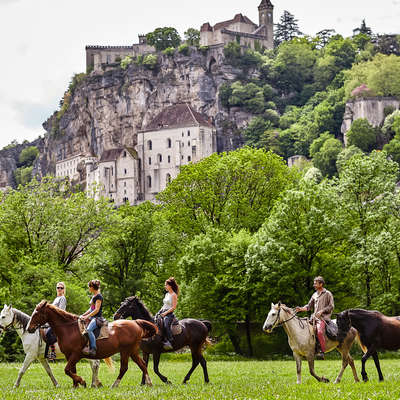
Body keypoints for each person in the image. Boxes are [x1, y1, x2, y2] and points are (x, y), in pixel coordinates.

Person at [295, 276, 334, 359]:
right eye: (314, 283)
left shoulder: (328, 294)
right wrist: (301, 309)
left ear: (321, 284)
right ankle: (307, 350)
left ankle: (321, 351)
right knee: (305, 331)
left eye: (315, 283)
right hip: (313, 318)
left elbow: (331, 306)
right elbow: (309, 307)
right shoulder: (314, 295)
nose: (314, 285)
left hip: (323, 318)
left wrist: (322, 311)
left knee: (319, 331)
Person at [80, 279, 103, 357]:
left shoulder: (99, 297)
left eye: (89, 287)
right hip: (91, 317)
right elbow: (91, 309)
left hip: (97, 318)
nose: (89, 288)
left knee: (89, 330)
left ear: (92, 287)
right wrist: (82, 315)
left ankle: (93, 348)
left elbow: (96, 310)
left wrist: (87, 316)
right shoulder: (94, 296)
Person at [45, 282, 67, 360]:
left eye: (61, 288)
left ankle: (53, 353)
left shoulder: (62, 298)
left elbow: (60, 311)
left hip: (59, 322)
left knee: (48, 333)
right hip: (52, 321)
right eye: (58, 287)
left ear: (64, 290)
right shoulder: (56, 298)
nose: (59, 289)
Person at [158, 277, 179, 350]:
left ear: (170, 286)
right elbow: (164, 304)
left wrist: (165, 313)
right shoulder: (167, 294)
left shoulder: (174, 295)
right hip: (163, 311)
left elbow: (173, 307)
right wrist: (160, 312)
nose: (165, 286)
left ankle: (170, 341)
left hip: (169, 314)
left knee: (166, 325)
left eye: (166, 285)